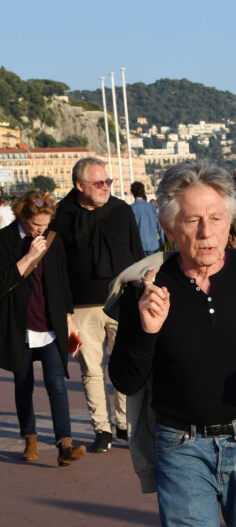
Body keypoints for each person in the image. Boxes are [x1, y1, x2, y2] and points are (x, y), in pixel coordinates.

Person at [109, 160, 236, 526]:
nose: (207, 232)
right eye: (192, 220)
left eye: (216, 218)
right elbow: (125, 381)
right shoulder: (147, 288)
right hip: (180, 449)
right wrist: (148, 330)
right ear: (168, 227)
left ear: (229, 220)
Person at [51, 157, 144, 453]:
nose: (106, 187)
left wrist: (142, 292)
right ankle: (101, 429)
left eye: (108, 182)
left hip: (123, 301)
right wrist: (64, 312)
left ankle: (125, 425)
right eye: (99, 183)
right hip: (79, 308)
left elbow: (138, 254)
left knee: (124, 367)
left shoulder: (121, 210)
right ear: (80, 185)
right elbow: (57, 268)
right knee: (90, 370)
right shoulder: (62, 216)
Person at [0, 190, 85, 466]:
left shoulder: (53, 241)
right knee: (23, 385)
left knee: (57, 385)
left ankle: (65, 443)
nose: (42, 229)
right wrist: (27, 258)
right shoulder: (4, 240)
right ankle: (30, 438)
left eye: (46, 224)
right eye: (37, 224)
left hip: (50, 324)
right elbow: (3, 283)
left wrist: (69, 318)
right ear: (23, 217)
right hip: (18, 324)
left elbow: (62, 282)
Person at [130, 181, 165, 256]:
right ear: (143, 192)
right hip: (153, 245)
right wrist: (162, 241)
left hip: (139, 247)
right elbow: (159, 225)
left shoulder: (130, 209)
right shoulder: (151, 206)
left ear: (132, 192)